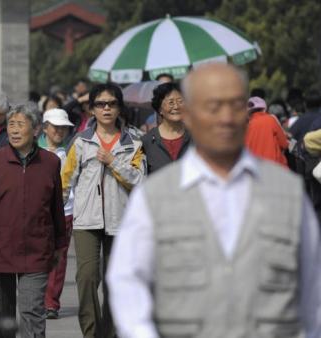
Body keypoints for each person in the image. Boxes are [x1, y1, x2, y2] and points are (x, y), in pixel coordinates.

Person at [107, 63, 321, 338]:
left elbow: (312, 291)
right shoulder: (154, 198)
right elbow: (128, 282)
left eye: (235, 105)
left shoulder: (288, 194)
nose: (225, 117)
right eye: (213, 106)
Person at [0, 103, 66, 338]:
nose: (15, 130)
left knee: (33, 312)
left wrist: (60, 243)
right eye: (11, 125)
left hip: (36, 249)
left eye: (21, 124)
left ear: (36, 129)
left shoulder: (50, 162)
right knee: (2, 320)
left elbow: (56, 207)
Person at [61, 83, 146, 338]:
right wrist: (55, 218)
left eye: (111, 103)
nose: (106, 108)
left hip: (121, 221)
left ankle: (109, 333)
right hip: (86, 221)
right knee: (86, 278)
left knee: (115, 283)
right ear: (92, 110)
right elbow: (65, 182)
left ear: (119, 108)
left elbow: (141, 181)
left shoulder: (134, 143)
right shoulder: (80, 142)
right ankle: (91, 332)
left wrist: (114, 162)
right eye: (100, 104)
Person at [37, 108, 75, 320]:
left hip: (65, 213)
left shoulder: (69, 152)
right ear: (45, 128)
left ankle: (51, 303)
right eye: (55, 127)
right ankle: (36, 299)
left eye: (63, 128)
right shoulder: (33, 151)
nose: (59, 131)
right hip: (38, 214)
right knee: (38, 258)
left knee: (58, 260)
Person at [141, 82, 191, 174]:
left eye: (180, 101)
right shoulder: (147, 141)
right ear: (160, 109)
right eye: (171, 103)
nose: (176, 106)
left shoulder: (197, 137)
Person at [245, 96, 289, 166]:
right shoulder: (271, 120)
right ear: (264, 109)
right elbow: (284, 144)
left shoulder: (244, 128)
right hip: (274, 168)